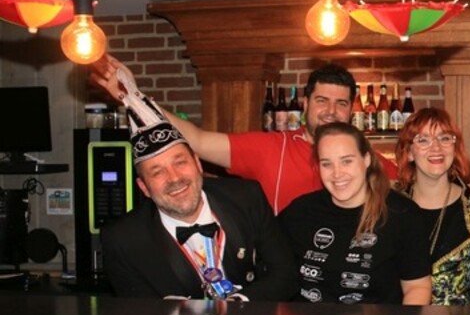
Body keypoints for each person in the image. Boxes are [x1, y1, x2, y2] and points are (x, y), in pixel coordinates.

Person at [91, 54, 398, 213]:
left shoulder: (369, 160)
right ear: (305, 104)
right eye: (322, 101)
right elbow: (197, 140)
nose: (331, 111)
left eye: (341, 103)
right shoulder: (271, 148)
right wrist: (134, 96)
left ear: (351, 110)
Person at [101, 82, 298, 300]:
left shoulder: (246, 198)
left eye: (180, 162)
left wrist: (239, 305)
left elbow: (286, 275)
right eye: (157, 172)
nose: (174, 178)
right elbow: (139, 313)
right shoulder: (123, 240)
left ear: (198, 164)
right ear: (144, 188)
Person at [278, 122, 432, 305]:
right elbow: (273, 273)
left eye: (347, 161)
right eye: (327, 164)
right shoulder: (299, 212)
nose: (337, 173)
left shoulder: (403, 214)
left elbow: (417, 287)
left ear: (366, 159)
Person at [395, 108, 470, 305]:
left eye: (444, 138)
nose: (436, 148)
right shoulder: (390, 208)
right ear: (408, 152)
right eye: (423, 140)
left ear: (455, 147)